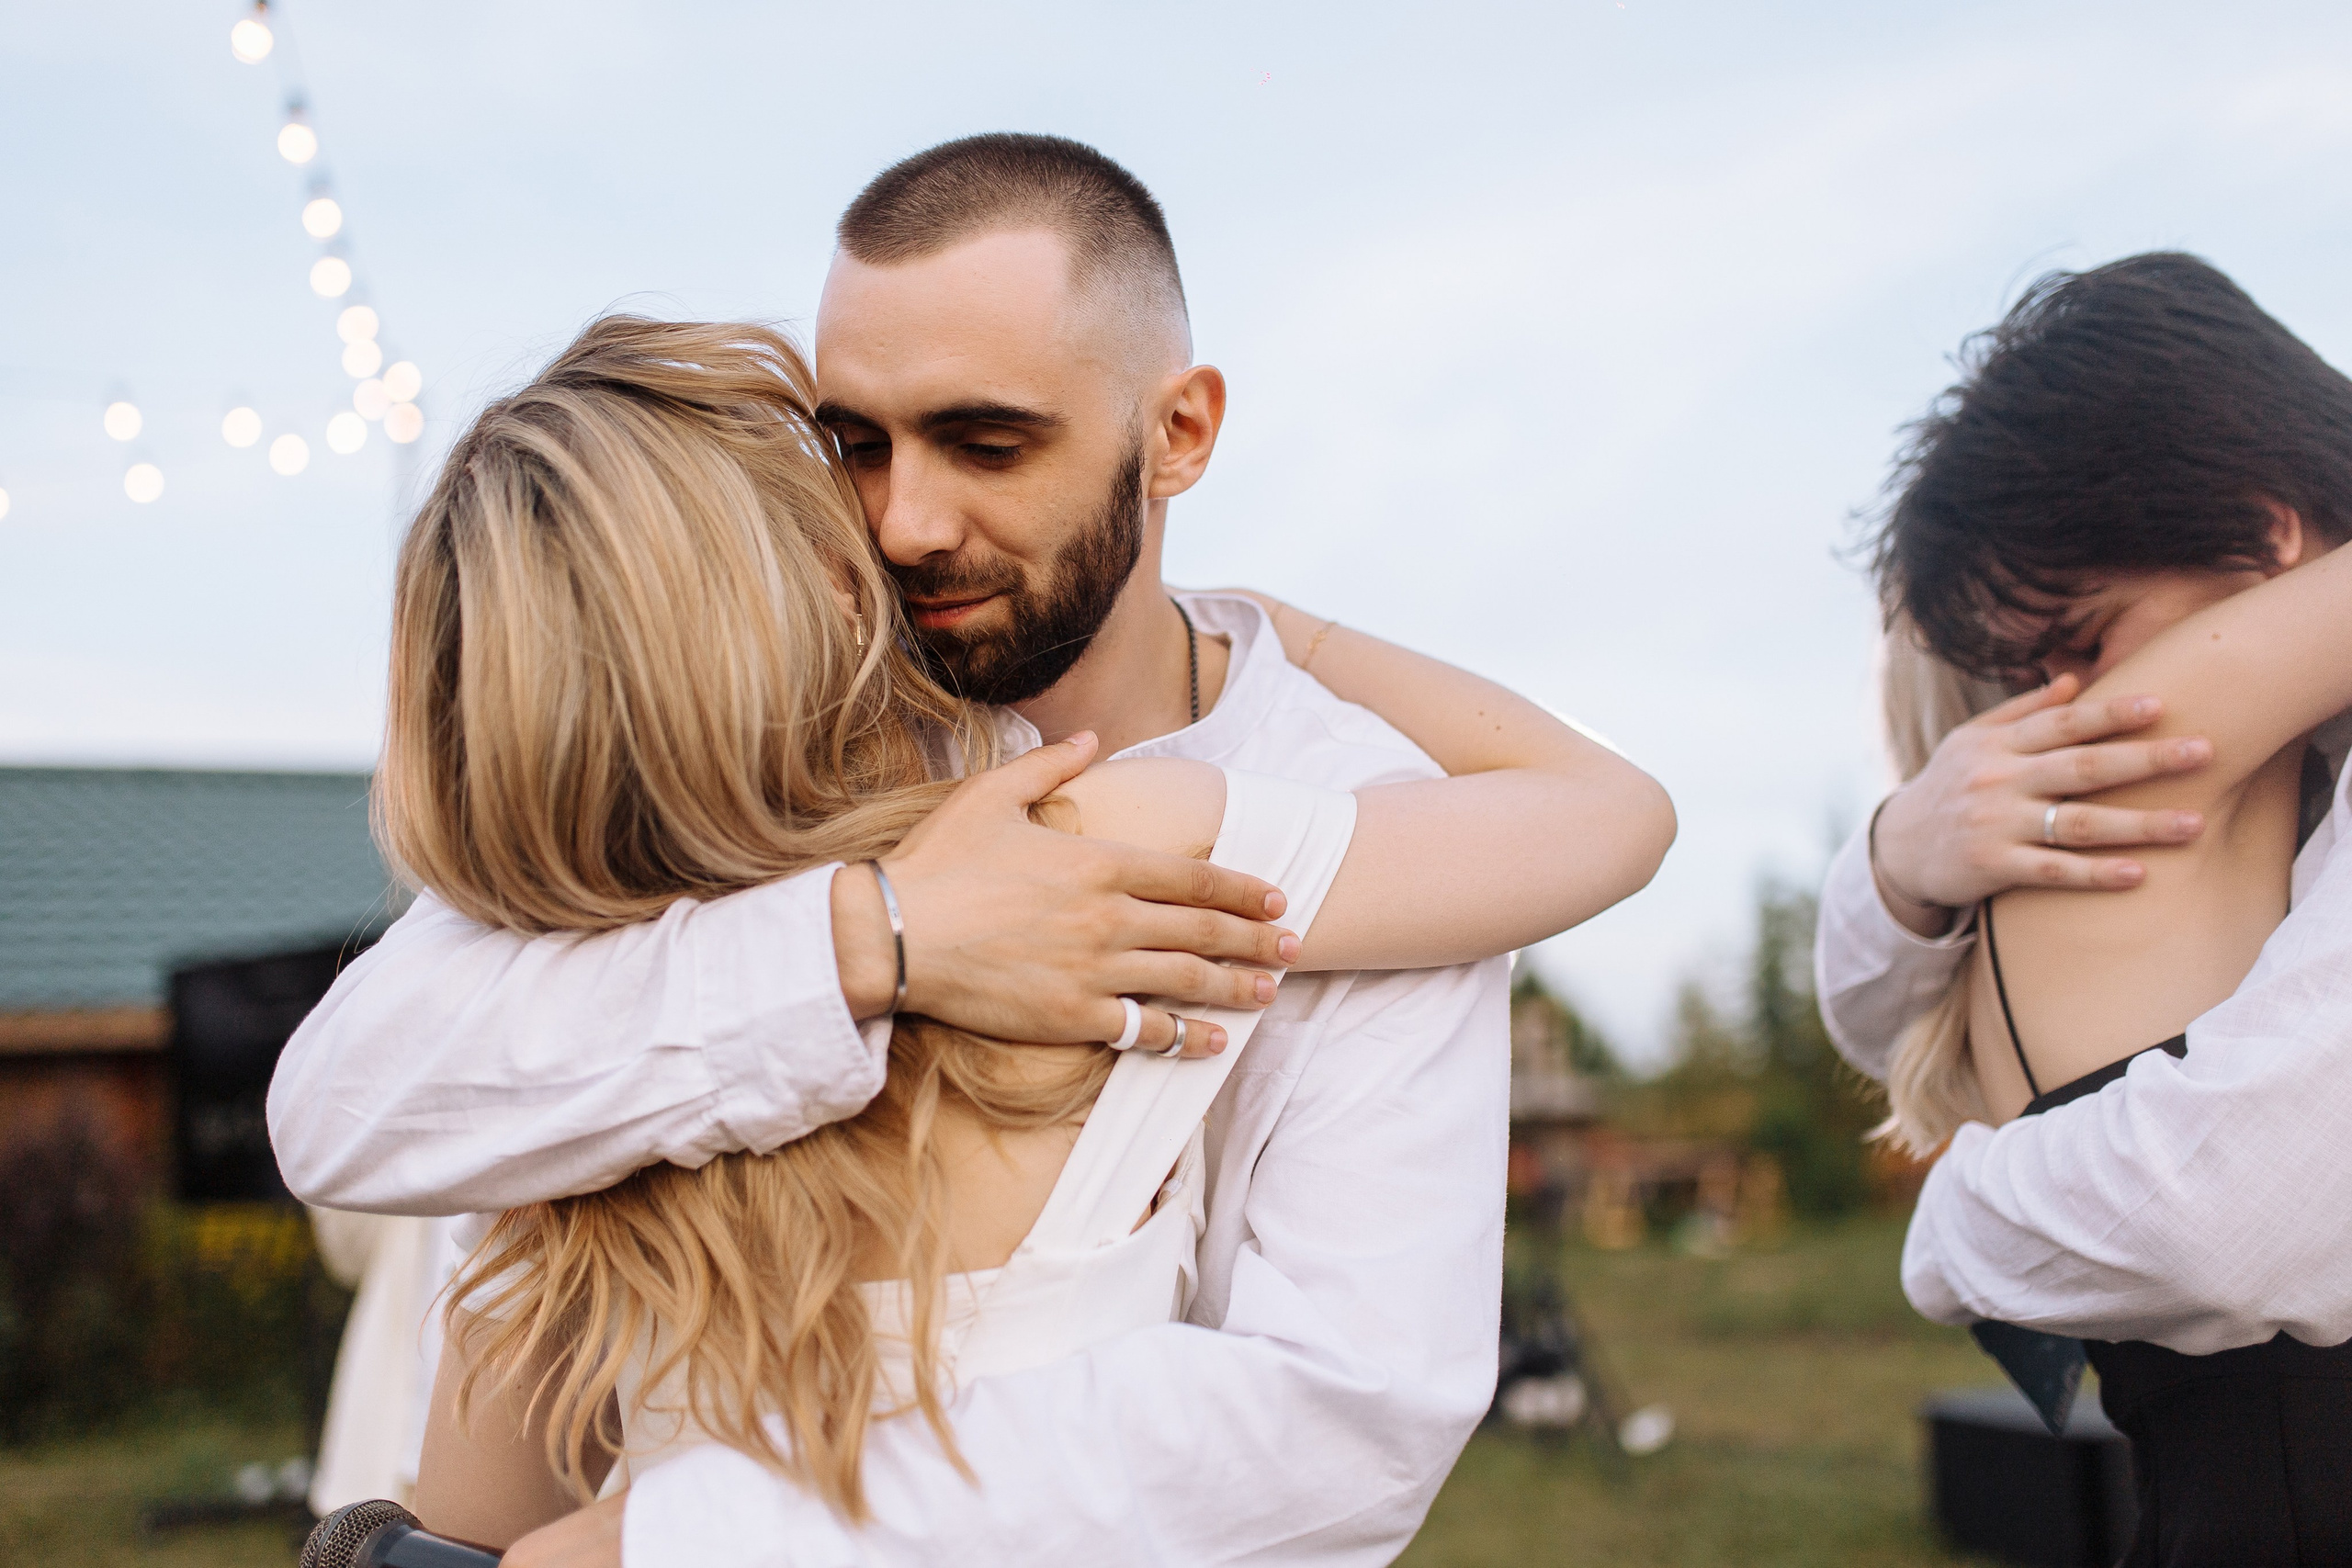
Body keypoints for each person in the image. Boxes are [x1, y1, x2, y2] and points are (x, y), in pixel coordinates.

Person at [267, 133, 1674, 1568]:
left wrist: (677, 1544)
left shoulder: (1331, 801)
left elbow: (1333, 1422)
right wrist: (879, 937)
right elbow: (343, 1098)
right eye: (855, 446)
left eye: (987, 442)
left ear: (1178, 434)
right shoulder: (784, 751)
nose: (904, 523)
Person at [1825, 253, 2352, 1562]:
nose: (2059, 709)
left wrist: (1952, 1223)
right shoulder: (2257, 789)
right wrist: (1905, 854)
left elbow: (2223, 1222)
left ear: (2264, 529)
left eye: (2087, 641)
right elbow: (1866, 1020)